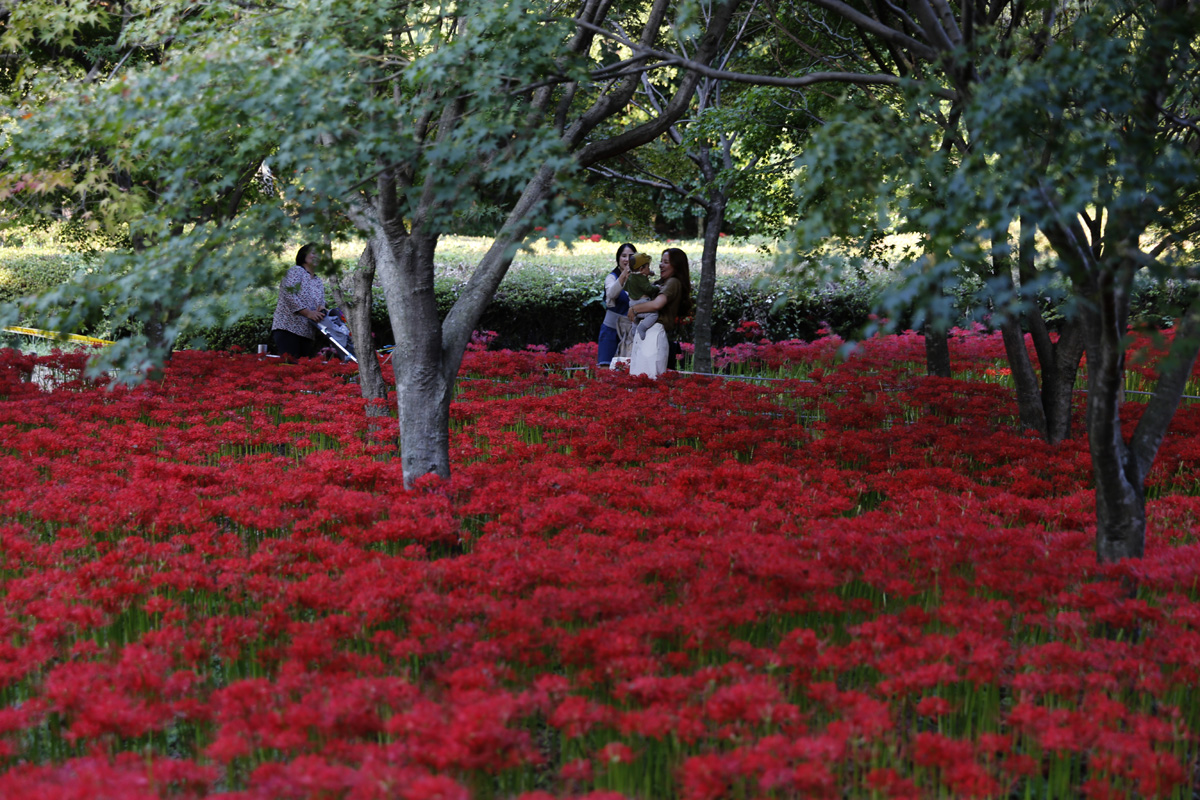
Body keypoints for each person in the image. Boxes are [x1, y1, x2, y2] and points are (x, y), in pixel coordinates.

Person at [628, 247, 692, 371]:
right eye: (661, 261)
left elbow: (657, 304)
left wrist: (634, 309)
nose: (661, 265)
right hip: (647, 333)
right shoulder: (662, 283)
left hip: (654, 334)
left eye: (666, 262)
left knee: (647, 378)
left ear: (676, 266)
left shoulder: (673, 282)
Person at [271, 243, 327, 360]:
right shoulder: (296, 271)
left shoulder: (318, 281)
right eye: (313, 253)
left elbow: (321, 303)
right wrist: (308, 313)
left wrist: (322, 310)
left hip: (307, 332)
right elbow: (288, 294)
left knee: (303, 369)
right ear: (303, 256)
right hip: (288, 328)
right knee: (290, 367)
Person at [597, 243, 636, 366]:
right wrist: (623, 275)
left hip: (630, 333)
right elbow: (611, 294)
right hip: (611, 332)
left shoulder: (638, 279)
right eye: (623, 256)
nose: (627, 259)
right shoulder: (611, 278)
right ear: (618, 258)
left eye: (631, 256)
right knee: (606, 368)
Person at [624, 252, 660, 340]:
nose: (649, 269)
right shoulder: (641, 279)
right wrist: (657, 288)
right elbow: (649, 289)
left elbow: (625, 287)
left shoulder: (631, 276)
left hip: (632, 303)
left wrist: (649, 273)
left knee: (635, 319)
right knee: (654, 315)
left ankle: (634, 332)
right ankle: (642, 328)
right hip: (642, 302)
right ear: (641, 269)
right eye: (648, 267)